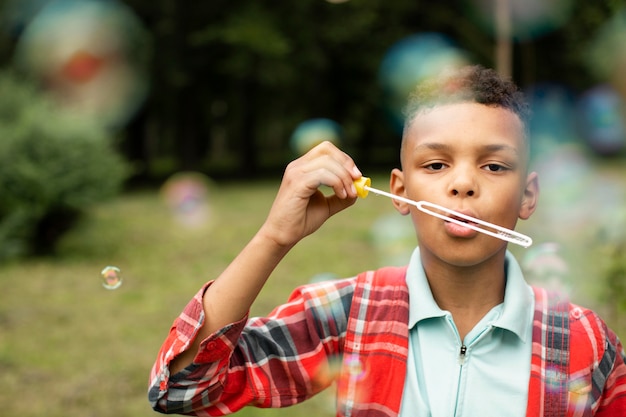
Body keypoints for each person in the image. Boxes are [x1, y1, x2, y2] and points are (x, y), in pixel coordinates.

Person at [148, 65, 626, 416]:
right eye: (436, 165)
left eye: (494, 165)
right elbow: (184, 390)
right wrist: (276, 235)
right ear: (399, 191)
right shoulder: (350, 313)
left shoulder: (583, 340)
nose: (462, 185)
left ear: (528, 195)